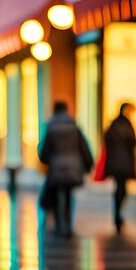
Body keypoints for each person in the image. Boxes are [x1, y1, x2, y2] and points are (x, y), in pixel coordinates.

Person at [39, 101, 93, 237]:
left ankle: (59, 224)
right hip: (73, 166)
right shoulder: (74, 126)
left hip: (56, 166)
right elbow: (84, 148)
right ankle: (68, 224)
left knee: (57, 193)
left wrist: (46, 160)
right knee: (69, 195)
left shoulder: (50, 127)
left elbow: (44, 151)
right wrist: (88, 165)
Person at [103, 102, 136, 232]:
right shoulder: (128, 126)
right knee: (122, 189)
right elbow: (133, 142)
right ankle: (117, 213)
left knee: (119, 187)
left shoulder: (113, 125)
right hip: (125, 162)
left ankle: (117, 212)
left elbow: (106, 140)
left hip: (114, 162)